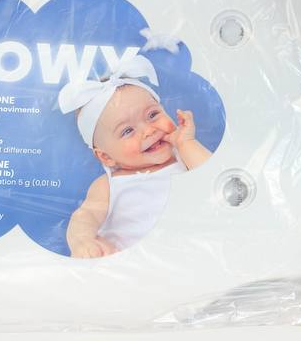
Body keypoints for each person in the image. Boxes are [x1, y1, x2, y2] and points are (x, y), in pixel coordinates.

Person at [58, 59, 210, 258]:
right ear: (106, 156)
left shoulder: (186, 158)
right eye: (127, 131)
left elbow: (211, 178)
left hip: (192, 253)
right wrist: (83, 241)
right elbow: (86, 216)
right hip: (133, 263)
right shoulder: (109, 185)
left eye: (152, 115)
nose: (149, 130)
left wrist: (187, 142)